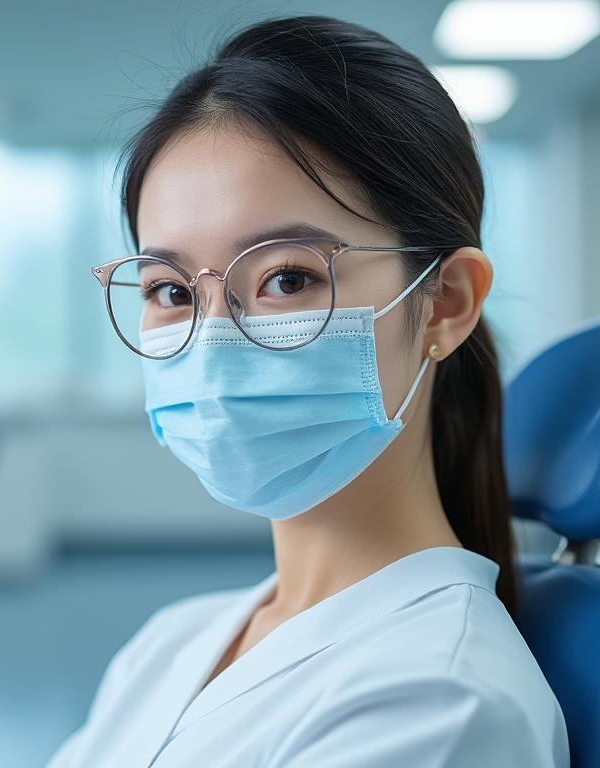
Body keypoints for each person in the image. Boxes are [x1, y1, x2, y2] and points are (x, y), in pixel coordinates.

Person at [47, 14, 569, 768]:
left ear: (445, 301)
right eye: (169, 290)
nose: (213, 342)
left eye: (287, 278)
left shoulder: (439, 704)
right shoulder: (175, 641)